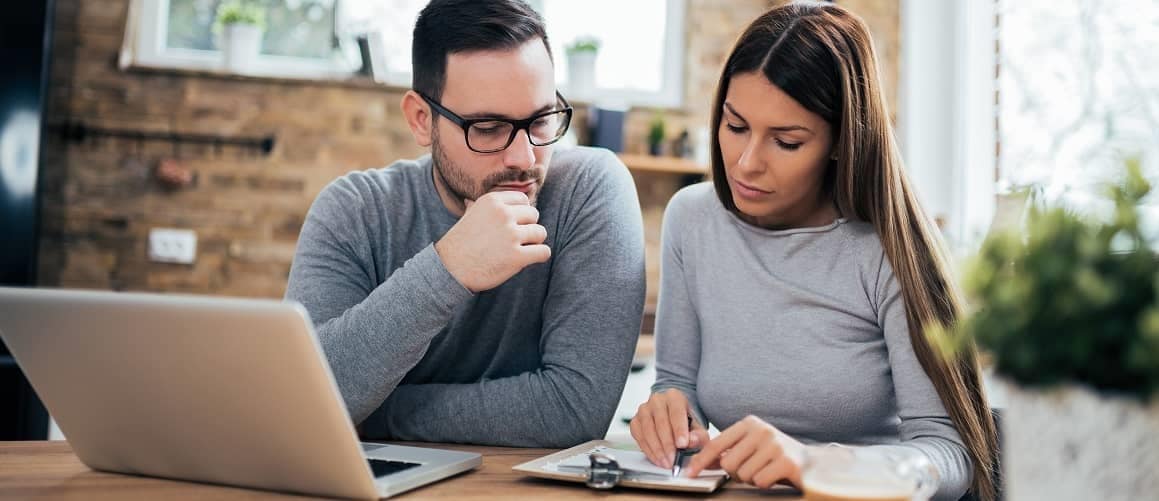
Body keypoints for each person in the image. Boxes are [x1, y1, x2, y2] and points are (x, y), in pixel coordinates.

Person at [628, 2, 998, 500]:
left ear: (842, 142)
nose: (746, 162)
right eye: (735, 127)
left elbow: (952, 456)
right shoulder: (692, 219)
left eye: (786, 141)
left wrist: (816, 463)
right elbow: (677, 381)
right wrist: (669, 410)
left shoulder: (890, 251)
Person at [285, 0, 646, 448]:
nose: (525, 157)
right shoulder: (355, 211)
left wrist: (373, 414)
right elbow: (307, 401)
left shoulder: (587, 191)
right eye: (488, 128)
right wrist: (449, 268)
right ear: (422, 120)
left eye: (541, 119)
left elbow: (574, 410)